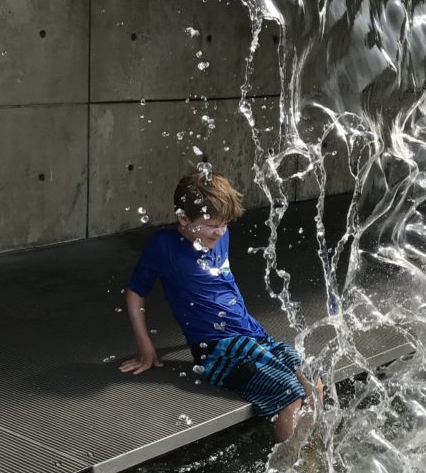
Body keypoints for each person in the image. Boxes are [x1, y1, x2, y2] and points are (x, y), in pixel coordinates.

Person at [120, 169, 322, 443]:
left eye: (225, 223)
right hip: (217, 350)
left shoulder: (219, 236)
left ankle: (307, 453)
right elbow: (135, 293)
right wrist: (146, 348)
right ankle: (291, 466)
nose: (220, 231)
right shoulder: (164, 246)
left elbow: (217, 289)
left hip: (254, 335)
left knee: (314, 381)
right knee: (290, 395)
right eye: (212, 224)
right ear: (183, 219)